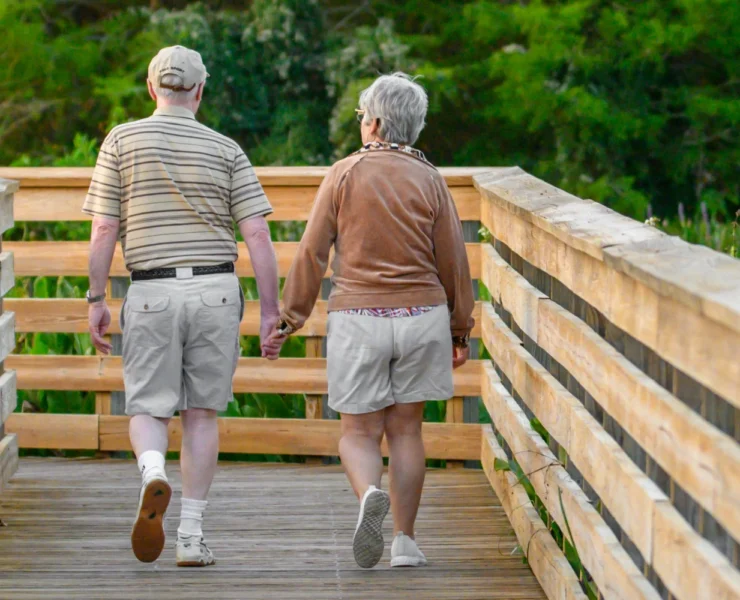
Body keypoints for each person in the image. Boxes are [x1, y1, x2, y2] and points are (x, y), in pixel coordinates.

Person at [265, 73, 475, 569]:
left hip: (359, 316)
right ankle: (404, 541)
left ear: (375, 122)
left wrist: (289, 318)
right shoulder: (431, 178)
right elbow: (453, 261)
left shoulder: (343, 173)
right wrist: (459, 328)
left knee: (358, 433)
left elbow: (313, 252)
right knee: (407, 432)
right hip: (421, 316)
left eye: (362, 117)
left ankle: (367, 498)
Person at [83, 46, 281, 567]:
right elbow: (258, 233)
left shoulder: (121, 141)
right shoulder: (226, 149)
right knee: (200, 414)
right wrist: (270, 311)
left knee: (149, 406)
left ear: (151, 89)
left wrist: (96, 297)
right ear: (200, 91)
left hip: (150, 290)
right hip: (215, 291)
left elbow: (104, 227)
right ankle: (191, 538)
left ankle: (153, 471)